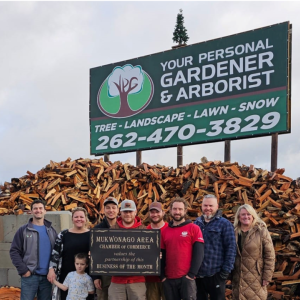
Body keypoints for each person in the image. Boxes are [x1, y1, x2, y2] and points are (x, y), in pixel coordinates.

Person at [10, 199, 57, 300]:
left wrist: (52, 270)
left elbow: (56, 253)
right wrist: (24, 270)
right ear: (31, 211)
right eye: (35, 208)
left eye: (40, 208)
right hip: (30, 276)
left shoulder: (51, 231)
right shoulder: (23, 230)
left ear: (45, 211)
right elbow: (14, 251)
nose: (38, 210)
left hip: (47, 278)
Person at [161, 198, 204, 300]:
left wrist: (191, 274)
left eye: (180, 209)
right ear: (170, 210)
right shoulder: (165, 231)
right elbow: (162, 254)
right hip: (169, 279)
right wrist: (162, 276)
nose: (177, 212)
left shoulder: (193, 228)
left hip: (186, 278)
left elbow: (199, 253)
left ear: (185, 211)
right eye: (175, 209)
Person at [194, 194, 236, 300]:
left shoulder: (225, 224)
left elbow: (231, 249)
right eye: (205, 205)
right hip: (198, 276)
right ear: (202, 206)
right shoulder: (196, 224)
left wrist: (224, 273)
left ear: (217, 206)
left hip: (216, 275)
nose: (208, 208)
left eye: (211, 206)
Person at [231, 204, 275, 300]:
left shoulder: (261, 231)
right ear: (238, 217)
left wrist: (267, 277)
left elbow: (270, 256)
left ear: (253, 216)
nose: (246, 217)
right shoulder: (233, 232)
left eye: (248, 214)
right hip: (237, 276)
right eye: (243, 214)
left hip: (256, 277)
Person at [47, 207, 91, 300]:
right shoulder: (64, 234)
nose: (79, 219)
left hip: (86, 275)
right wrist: (51, 269)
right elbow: (55, 253)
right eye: (76, 217)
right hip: (66, 275)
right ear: (72, 219)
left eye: (81, 217)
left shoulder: (92, 235)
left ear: (85, 219)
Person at [108, 199, 146, 300]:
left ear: (135, 212)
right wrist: (96, 254)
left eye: (130, 211)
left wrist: (155, 254)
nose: (128, 214)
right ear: (120, 212)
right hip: (116, 280)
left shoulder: (144, 230)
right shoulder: (112, 230)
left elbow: (148, 254)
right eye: (125, 211)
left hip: (137, 281)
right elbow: (105, 252)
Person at [93, 197, 119, 300]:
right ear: (104, 210)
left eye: (113, 207)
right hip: (103, 274)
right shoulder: (97, 229)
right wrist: (96, 277)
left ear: (118, 210)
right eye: (108, 208)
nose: (111, 210)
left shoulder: (124, 228)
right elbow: (93, 255)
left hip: (120, 274)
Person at [145, 202, 168, 300]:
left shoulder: (169, 228)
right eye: (152, 212)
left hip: (168, 277)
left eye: (157, 212)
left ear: (163, 213)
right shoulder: (145, 231)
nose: (155, 215)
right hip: (150, 278)